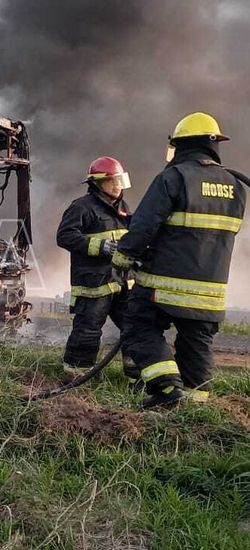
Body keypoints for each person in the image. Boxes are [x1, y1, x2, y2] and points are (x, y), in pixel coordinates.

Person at [114, 112, 247, 409]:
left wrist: (123, 256)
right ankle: (195, 405)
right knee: (196, 341)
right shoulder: (236, 186)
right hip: (211, 288)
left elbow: (145, 225)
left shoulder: (173, 177)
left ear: (182, 145)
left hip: (164, 284)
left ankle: (165, 390)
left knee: (137, 324)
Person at [56, 157, 137, 381]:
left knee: (135, 328)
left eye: (119, 180)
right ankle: (77, 377)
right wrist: (100, 246)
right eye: (111, 180)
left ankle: (135, 378)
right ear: (97, 183)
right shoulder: (82, 207)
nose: (117, 185)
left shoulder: (123, 209)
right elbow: (64, 236)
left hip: (122, 282)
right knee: (88, 330)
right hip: (94, 283)